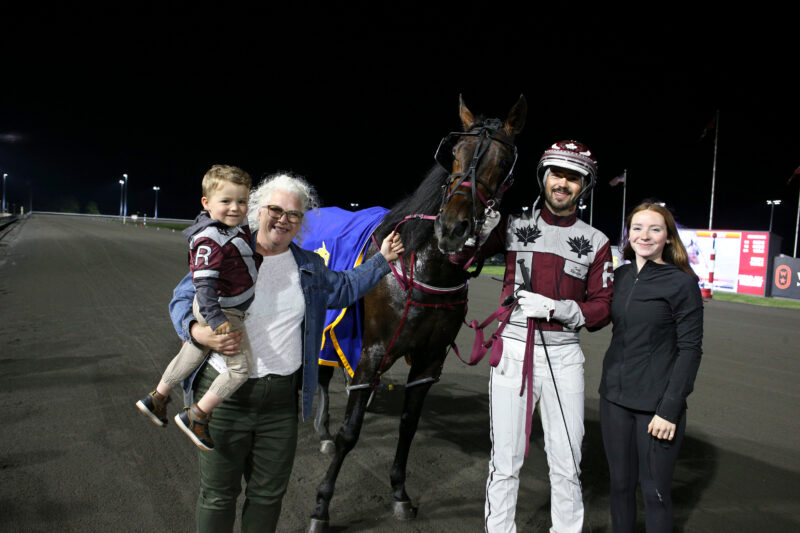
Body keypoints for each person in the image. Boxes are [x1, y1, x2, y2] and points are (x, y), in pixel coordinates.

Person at [168, 172, 404, 533]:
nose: (283, 219)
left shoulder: (308, 264)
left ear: (302, 222)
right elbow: (183, 298)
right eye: (275, 210)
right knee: (218, 495)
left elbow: (342, 289)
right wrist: (198, 330)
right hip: (225, 398)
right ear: (258, 210)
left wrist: (381, 259)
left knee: (267, 496)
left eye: (294, 214)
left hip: (280, 404)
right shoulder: (226, 249)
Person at [480, 140, 614, 533]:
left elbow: (603, 307)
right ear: (544, 178)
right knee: (505, 462)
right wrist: (478, 224)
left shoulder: (597, 242)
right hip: (513, 352)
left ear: (584, 186)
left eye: (573, 178)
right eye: (557, 174)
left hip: (563, 357)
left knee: (567, 463)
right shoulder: (511, 226)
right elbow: (460, 257)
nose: (563, 183)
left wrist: (559, 309)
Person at [137, 164, 261, 451]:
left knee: (194, 348)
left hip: (217, 307)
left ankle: (157, 397)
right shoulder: (209, 239)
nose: (235, 208)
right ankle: (198, 415)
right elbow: (203, 286)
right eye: (226, 201)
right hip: (221, 309)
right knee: (241, 369)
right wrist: (216, 318)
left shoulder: (226, 228)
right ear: (206, 203)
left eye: (242, 201)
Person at [598, 202, 703, 533]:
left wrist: (669, 410)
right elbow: (593, 313)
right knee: (619, 487)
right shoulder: (620, 276)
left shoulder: (682, 284)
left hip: (656, 408)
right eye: (638, 228)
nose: (645, 235)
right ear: (628, 235)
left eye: (655, 229)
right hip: (613, 398)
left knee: (654, 493)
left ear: (668, 238)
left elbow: (690, 350)